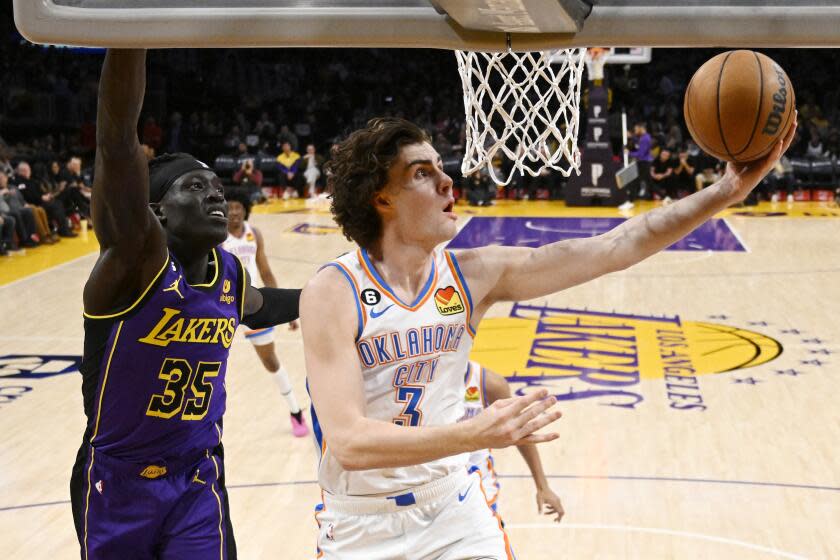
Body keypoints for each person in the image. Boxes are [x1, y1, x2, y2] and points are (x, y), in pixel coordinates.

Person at [300, 114, 796, 559]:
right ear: (382, 197)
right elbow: (351, 443)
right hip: (361, 523)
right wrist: (475, 434)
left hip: (453, 507)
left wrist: (724, 193)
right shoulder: (333, 291)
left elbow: (618, 245)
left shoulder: (473, 275)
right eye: (422, 173)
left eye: (440, 165)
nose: (448, 179)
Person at [70, 49, 301, 560]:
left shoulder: (229, 274)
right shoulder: (134, 262)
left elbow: (261, 308)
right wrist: (129, 35)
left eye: (217, 187)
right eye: (196, 188)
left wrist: (339, 295)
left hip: (196, 476)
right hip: (117, 482)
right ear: (156, 213)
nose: (217, 197)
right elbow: (116, 144)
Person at [222, 190, 309, 437]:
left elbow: (265, 270)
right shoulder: (216, 236)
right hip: (223, 305)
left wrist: (287, 311)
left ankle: (295, 411)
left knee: (270, 361)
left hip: (251, 304)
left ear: (245, 210)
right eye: (231, 207)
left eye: (239, 207)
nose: (235, 212)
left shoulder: (254, 234)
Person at [460, 361, 564, 522]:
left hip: (478, 485)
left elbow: (520, 432)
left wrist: (543, 486)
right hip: (430, 482)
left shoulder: (490, 383)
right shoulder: (420, 384)